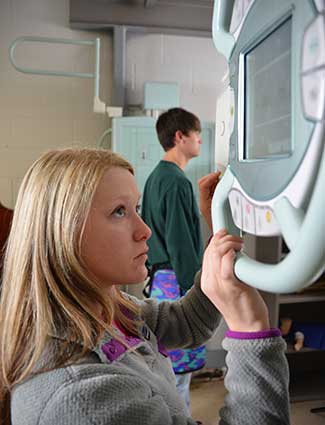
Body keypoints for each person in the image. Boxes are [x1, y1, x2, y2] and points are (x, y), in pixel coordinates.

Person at [0, 148, 290, 425]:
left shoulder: (107, 310)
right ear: (64, 232)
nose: (145, 230)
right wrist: (251, 331)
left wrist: (218, 231)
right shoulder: (81, 398)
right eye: (118, 212)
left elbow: (188, 322)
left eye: (135, 208)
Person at [141, 108, 217, 411]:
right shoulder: (176, 181)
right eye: (196, 134)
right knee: (178, 379)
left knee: (167, 373)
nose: (200, 140)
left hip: (159, 281)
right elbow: (181, 243)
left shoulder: (155, 177)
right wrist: (195, 290)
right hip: (176, 281)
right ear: (179, 137)